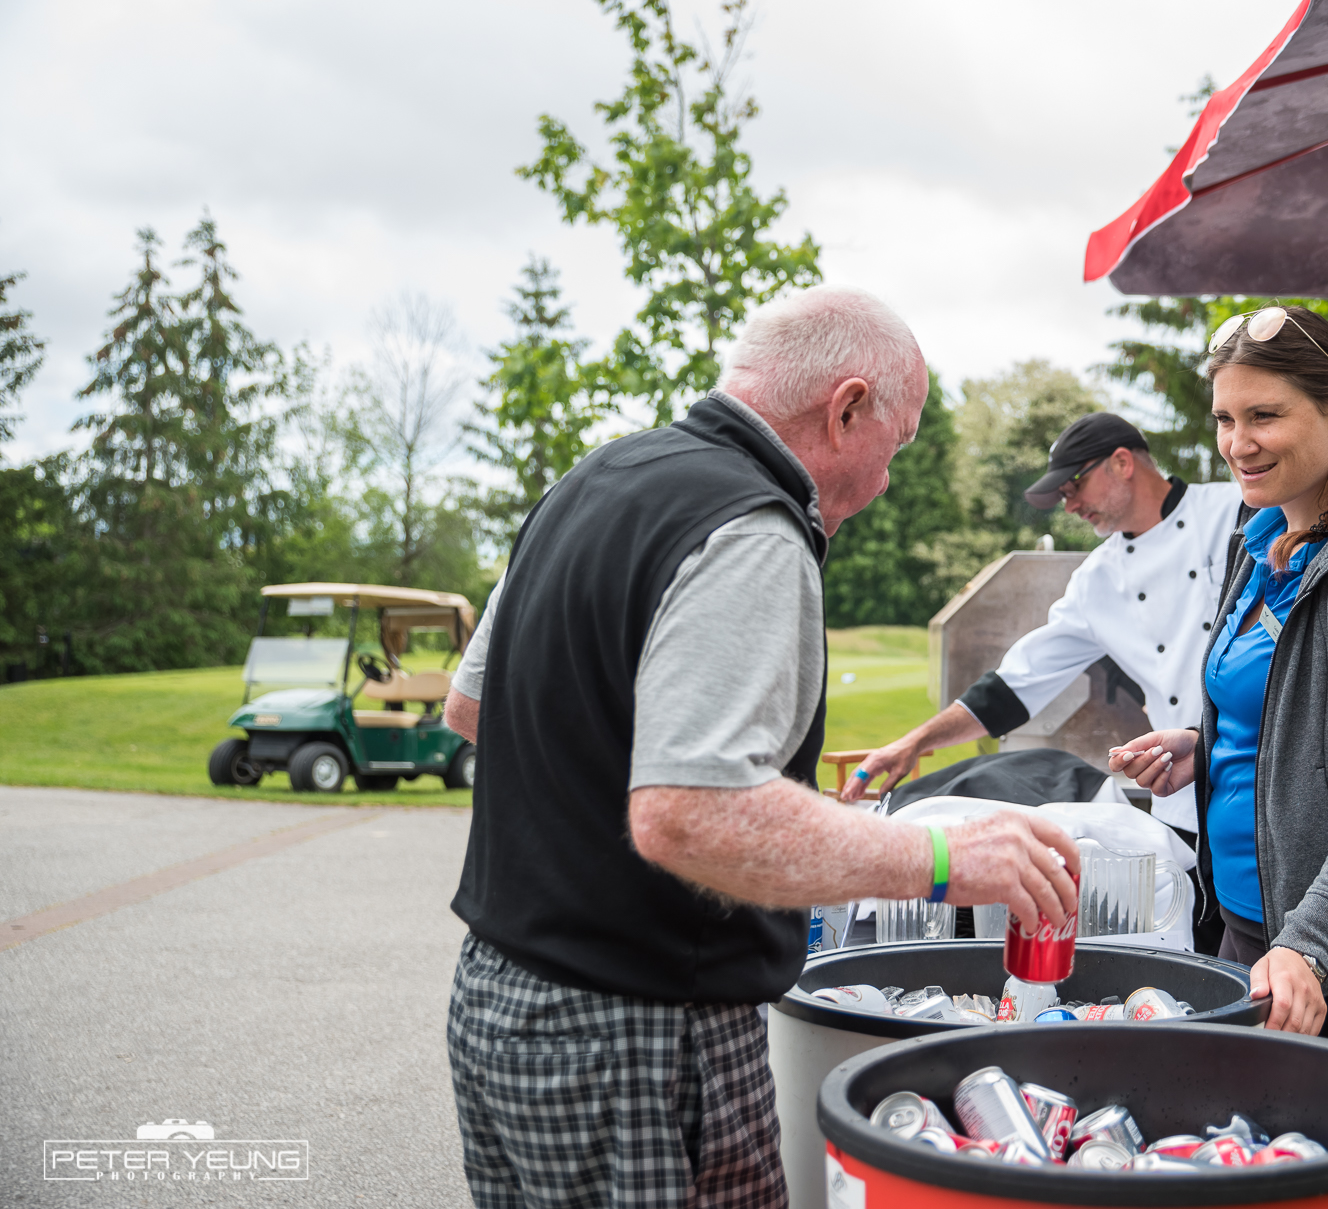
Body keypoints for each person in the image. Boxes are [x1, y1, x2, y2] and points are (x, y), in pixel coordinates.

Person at [440, 284, 1081, 1209]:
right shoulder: (751, 526)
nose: (887, 481)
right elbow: (690, 814)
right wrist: (941, 857)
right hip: (641, 1034)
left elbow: (474, 707)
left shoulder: (594, 476)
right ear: (847, 408)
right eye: (896, 444)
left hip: (498, 1002)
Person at [1111, 305, 1328, 1049]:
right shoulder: (1262, 536)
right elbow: (1292, 710)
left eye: (1264, 415)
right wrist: (1204, 746)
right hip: (1246, 916)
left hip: (1326, 947)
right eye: (1225, 418)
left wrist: (1309, 942)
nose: (1237, 444)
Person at [837, 411, 1242, 844]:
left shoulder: (1236, 510)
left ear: (1122, 463)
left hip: (1256, 781)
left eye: (1074, 486)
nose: (1070, 506)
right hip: (1179, 802)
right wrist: (914, 743)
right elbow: (1014, 686)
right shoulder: (1097, 580)